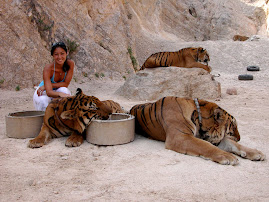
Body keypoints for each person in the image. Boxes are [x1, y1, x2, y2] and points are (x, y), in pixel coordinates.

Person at [33, 42, 75, 111]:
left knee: (64, 91)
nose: (59, 57)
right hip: (43, 92)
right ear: (52, 55)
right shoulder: (48, 68)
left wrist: (48, 85)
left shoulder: (70, 64)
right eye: (56, 54)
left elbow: (65, 84)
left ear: (66, 53)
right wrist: (60, 94)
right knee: (43, 101)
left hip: (49, 88)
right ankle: (43, 119)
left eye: (62, 53)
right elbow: (49, 92)